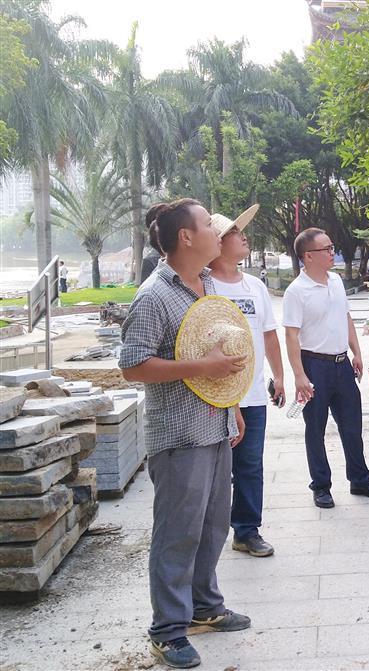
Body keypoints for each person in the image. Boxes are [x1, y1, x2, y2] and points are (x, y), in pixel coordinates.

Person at [119, 198, 251, 669]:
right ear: (186, 237)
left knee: (213, 525)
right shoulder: (154, 295)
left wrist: (232, 405)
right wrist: (201, 367)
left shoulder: (207, 283)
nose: (218, 232)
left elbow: (218, 352)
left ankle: (204, 607)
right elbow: (133, 365)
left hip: (214, 425)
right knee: (178, 533)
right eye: (209, 225)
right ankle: (168, 630)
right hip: (178, 436)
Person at [283, 227, 369, 509]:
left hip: (342, 365)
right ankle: (321, 486)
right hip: (314, 366)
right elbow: (291, 335)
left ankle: (360, 479)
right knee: (315, 429)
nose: (333, 252)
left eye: (332, 247)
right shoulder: (297, 291)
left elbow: (346, 317)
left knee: (352, 426)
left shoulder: (336, 281)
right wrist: (299, 375)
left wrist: (356, 352)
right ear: (308, 256)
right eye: (327, 249)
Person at [209, 205, 283, 558]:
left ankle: (246, 530)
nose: (244, 237)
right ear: (218, 243)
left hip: (252, 394)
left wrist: (279, 375)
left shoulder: (254, 286)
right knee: (216, 469)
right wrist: (228, 395)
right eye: (235, 233)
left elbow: (268, 334)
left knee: (251, 465)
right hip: (216, 395)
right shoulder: (204, 286)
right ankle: (209, 532)